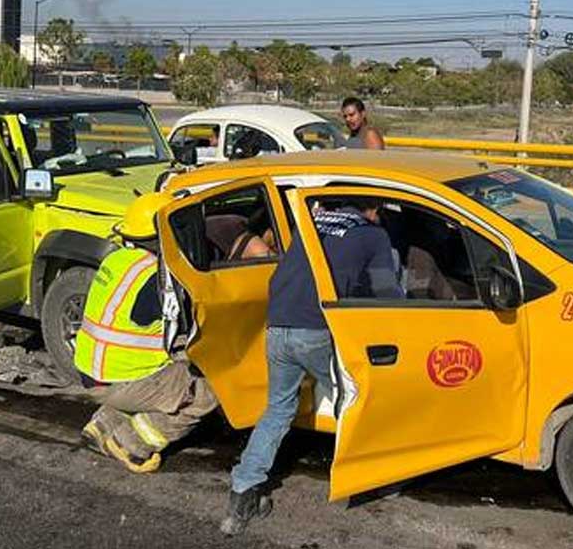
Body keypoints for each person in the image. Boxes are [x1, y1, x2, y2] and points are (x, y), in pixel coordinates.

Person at [221, 198, 402, 536]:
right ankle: (374, 476)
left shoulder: (310, 223)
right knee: (356, 400)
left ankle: (241, 497)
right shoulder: (372, 235)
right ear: (374, 209)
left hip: (277, 327)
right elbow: (385, 292)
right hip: (315, 330)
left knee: (277, 409)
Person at [76, 191, 218, 473]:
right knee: (207, 392)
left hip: (90, 371)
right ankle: (131, 443)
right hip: (122, 378)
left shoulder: (118, 260)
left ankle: (101, 425)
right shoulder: (159, 279)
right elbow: (191, 328)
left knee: (159, 378)